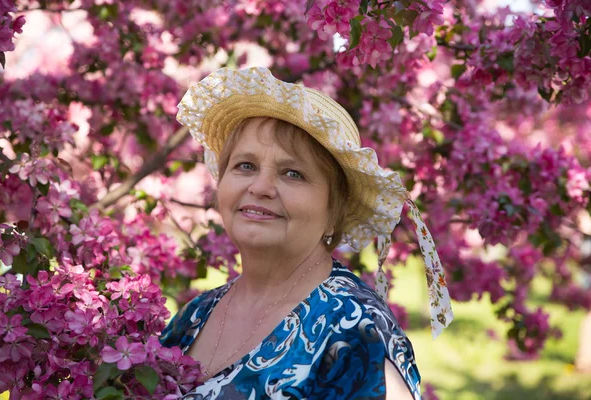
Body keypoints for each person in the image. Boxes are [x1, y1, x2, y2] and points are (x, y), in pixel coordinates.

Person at [160, 67, 454, 399]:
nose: (261, 187)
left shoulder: (353, 331)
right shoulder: (196, 313)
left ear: (334, 212)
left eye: (293, 173)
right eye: (245, 165)